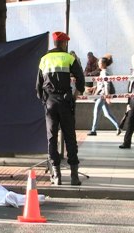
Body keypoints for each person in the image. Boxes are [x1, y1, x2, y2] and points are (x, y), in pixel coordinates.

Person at [36, 31, 85, 186]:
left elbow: (38, 86)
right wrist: (77, 93)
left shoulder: (44, 59)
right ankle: (74, 177)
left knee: (51, 139)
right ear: (64, 44)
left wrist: (45, 101)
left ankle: (56, 176)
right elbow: (80, 78)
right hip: (65, 101)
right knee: (70, 138)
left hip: (50, 103)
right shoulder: (69, 58)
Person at [87, 56, 121, 136]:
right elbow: (101, 84)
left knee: (96, 111)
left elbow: (106, 84)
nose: (98, 64)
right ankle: (118, 127)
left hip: (103, 95)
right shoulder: (103, 72)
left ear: (104, 64)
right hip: (102, 94)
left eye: (100, 63)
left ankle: (93, 130)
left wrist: (107, 96)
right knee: (107, 113)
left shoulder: (105, 72)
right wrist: (94, 88)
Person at [119, 53, 134, 149]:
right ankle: (127, 142)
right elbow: (129, 89)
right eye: (133, 61)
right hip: (132, 101)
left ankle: (126, 143)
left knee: (131, 123)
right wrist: (128, 103)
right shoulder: (132, 72)